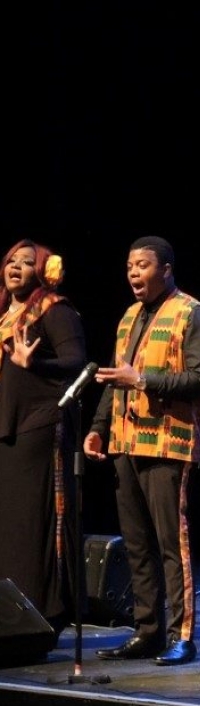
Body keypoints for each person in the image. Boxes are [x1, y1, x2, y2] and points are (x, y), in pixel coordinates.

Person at [84, 236, 200, 666]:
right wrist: (99, 428)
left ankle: (183, 634)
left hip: (168, 444)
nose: (134, 274)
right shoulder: (128, 317)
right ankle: (148, 630)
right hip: (126, 442)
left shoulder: (193, 314)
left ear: (166, 269)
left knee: (170, 545)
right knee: (137, 545)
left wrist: (143, 380)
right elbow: (113, 378)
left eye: (142, 265)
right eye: (129, 267)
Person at [0, 239, 88, 641]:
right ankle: (12, 616)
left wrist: (36, 363)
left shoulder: (56, 309)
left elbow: (77, 362)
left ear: (43, 271)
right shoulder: (5, 314)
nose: (15, 267)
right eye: (10, 261)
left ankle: (43, 614)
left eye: (26, 262)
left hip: (42, 424)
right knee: (11, 523)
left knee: (36, 520)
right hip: (10, 425)